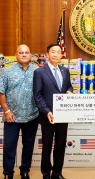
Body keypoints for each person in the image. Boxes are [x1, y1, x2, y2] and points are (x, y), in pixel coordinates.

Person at [0, 44, 39, 179]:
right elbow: (0, 92)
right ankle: (8, 173)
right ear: (16, 55)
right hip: (12, 116)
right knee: (9, 146)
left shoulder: (37, 71)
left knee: (28, 145)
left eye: (27, 52)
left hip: (32, 115)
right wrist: (7, 110)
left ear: (31, 54)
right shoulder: (7, 71)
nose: (24, 54)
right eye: (21, 52)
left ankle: (25, 170)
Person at [33, 43, 73, 179]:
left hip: (63, 114)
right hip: (47, 115)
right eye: (53, 52)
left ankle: (57, 173)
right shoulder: (39, 72)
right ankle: (46, 173)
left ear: (61, 55)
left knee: (61, 145)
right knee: (47, 146)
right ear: (47, 54)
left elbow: (69, 86)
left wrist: (69, 91)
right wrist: (46, 111)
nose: (56, 54)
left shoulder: (65, 71)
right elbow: (37, 95)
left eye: (58, 52)